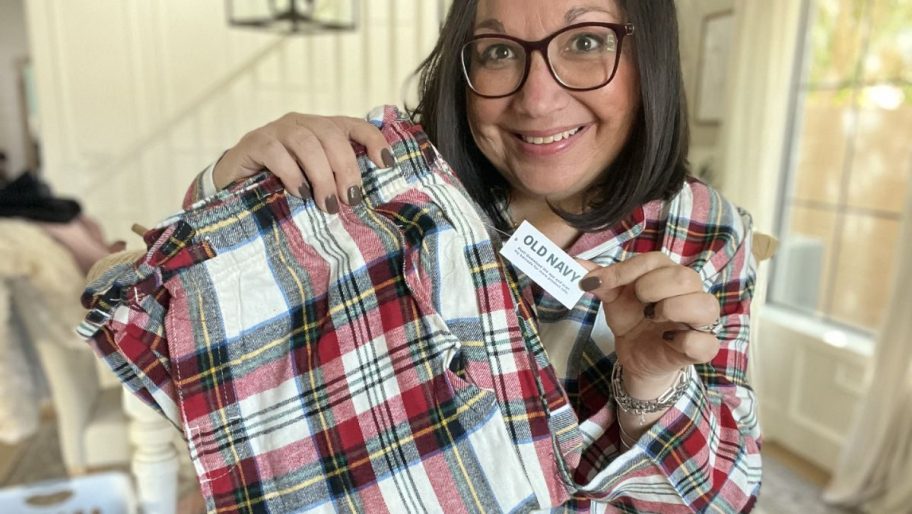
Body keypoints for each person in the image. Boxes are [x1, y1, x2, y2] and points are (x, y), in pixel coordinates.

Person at [188, 0, 761, 510]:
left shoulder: (705, 230)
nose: (537, 101)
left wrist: (649, 387)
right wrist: (227, 185)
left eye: (585, 42)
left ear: (650, 56)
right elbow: (230, 341)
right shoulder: (388, 181)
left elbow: (727, 498)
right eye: (498, 51)